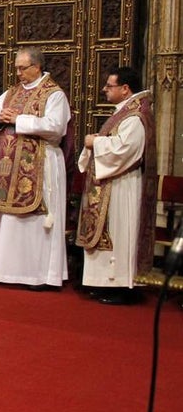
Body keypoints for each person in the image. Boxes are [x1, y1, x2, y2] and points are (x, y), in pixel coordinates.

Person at [0, 47, 70, 289]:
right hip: (7, 166)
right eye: (16, 68)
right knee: (5, 219)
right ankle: (0, 269)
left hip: (40, 162)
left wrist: (18, 119)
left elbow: (56, 126)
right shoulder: (11, 93)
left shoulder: (54, 94)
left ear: (37, 67)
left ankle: (36, 275)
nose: (18, 73)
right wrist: (0, 118)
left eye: (22, 68)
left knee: (33, 221)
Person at [75, 67, 156, 304]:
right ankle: (103, 283)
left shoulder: (135, 117)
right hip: (112, 181)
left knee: (120, 234)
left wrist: (96, 142)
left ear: (125, 88)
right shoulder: (124, 112)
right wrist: (97, 143)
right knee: (111, 233)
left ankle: (120, 285)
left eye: (109, 86)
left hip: (123, 186)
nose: (104, 90)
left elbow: (126, 150)